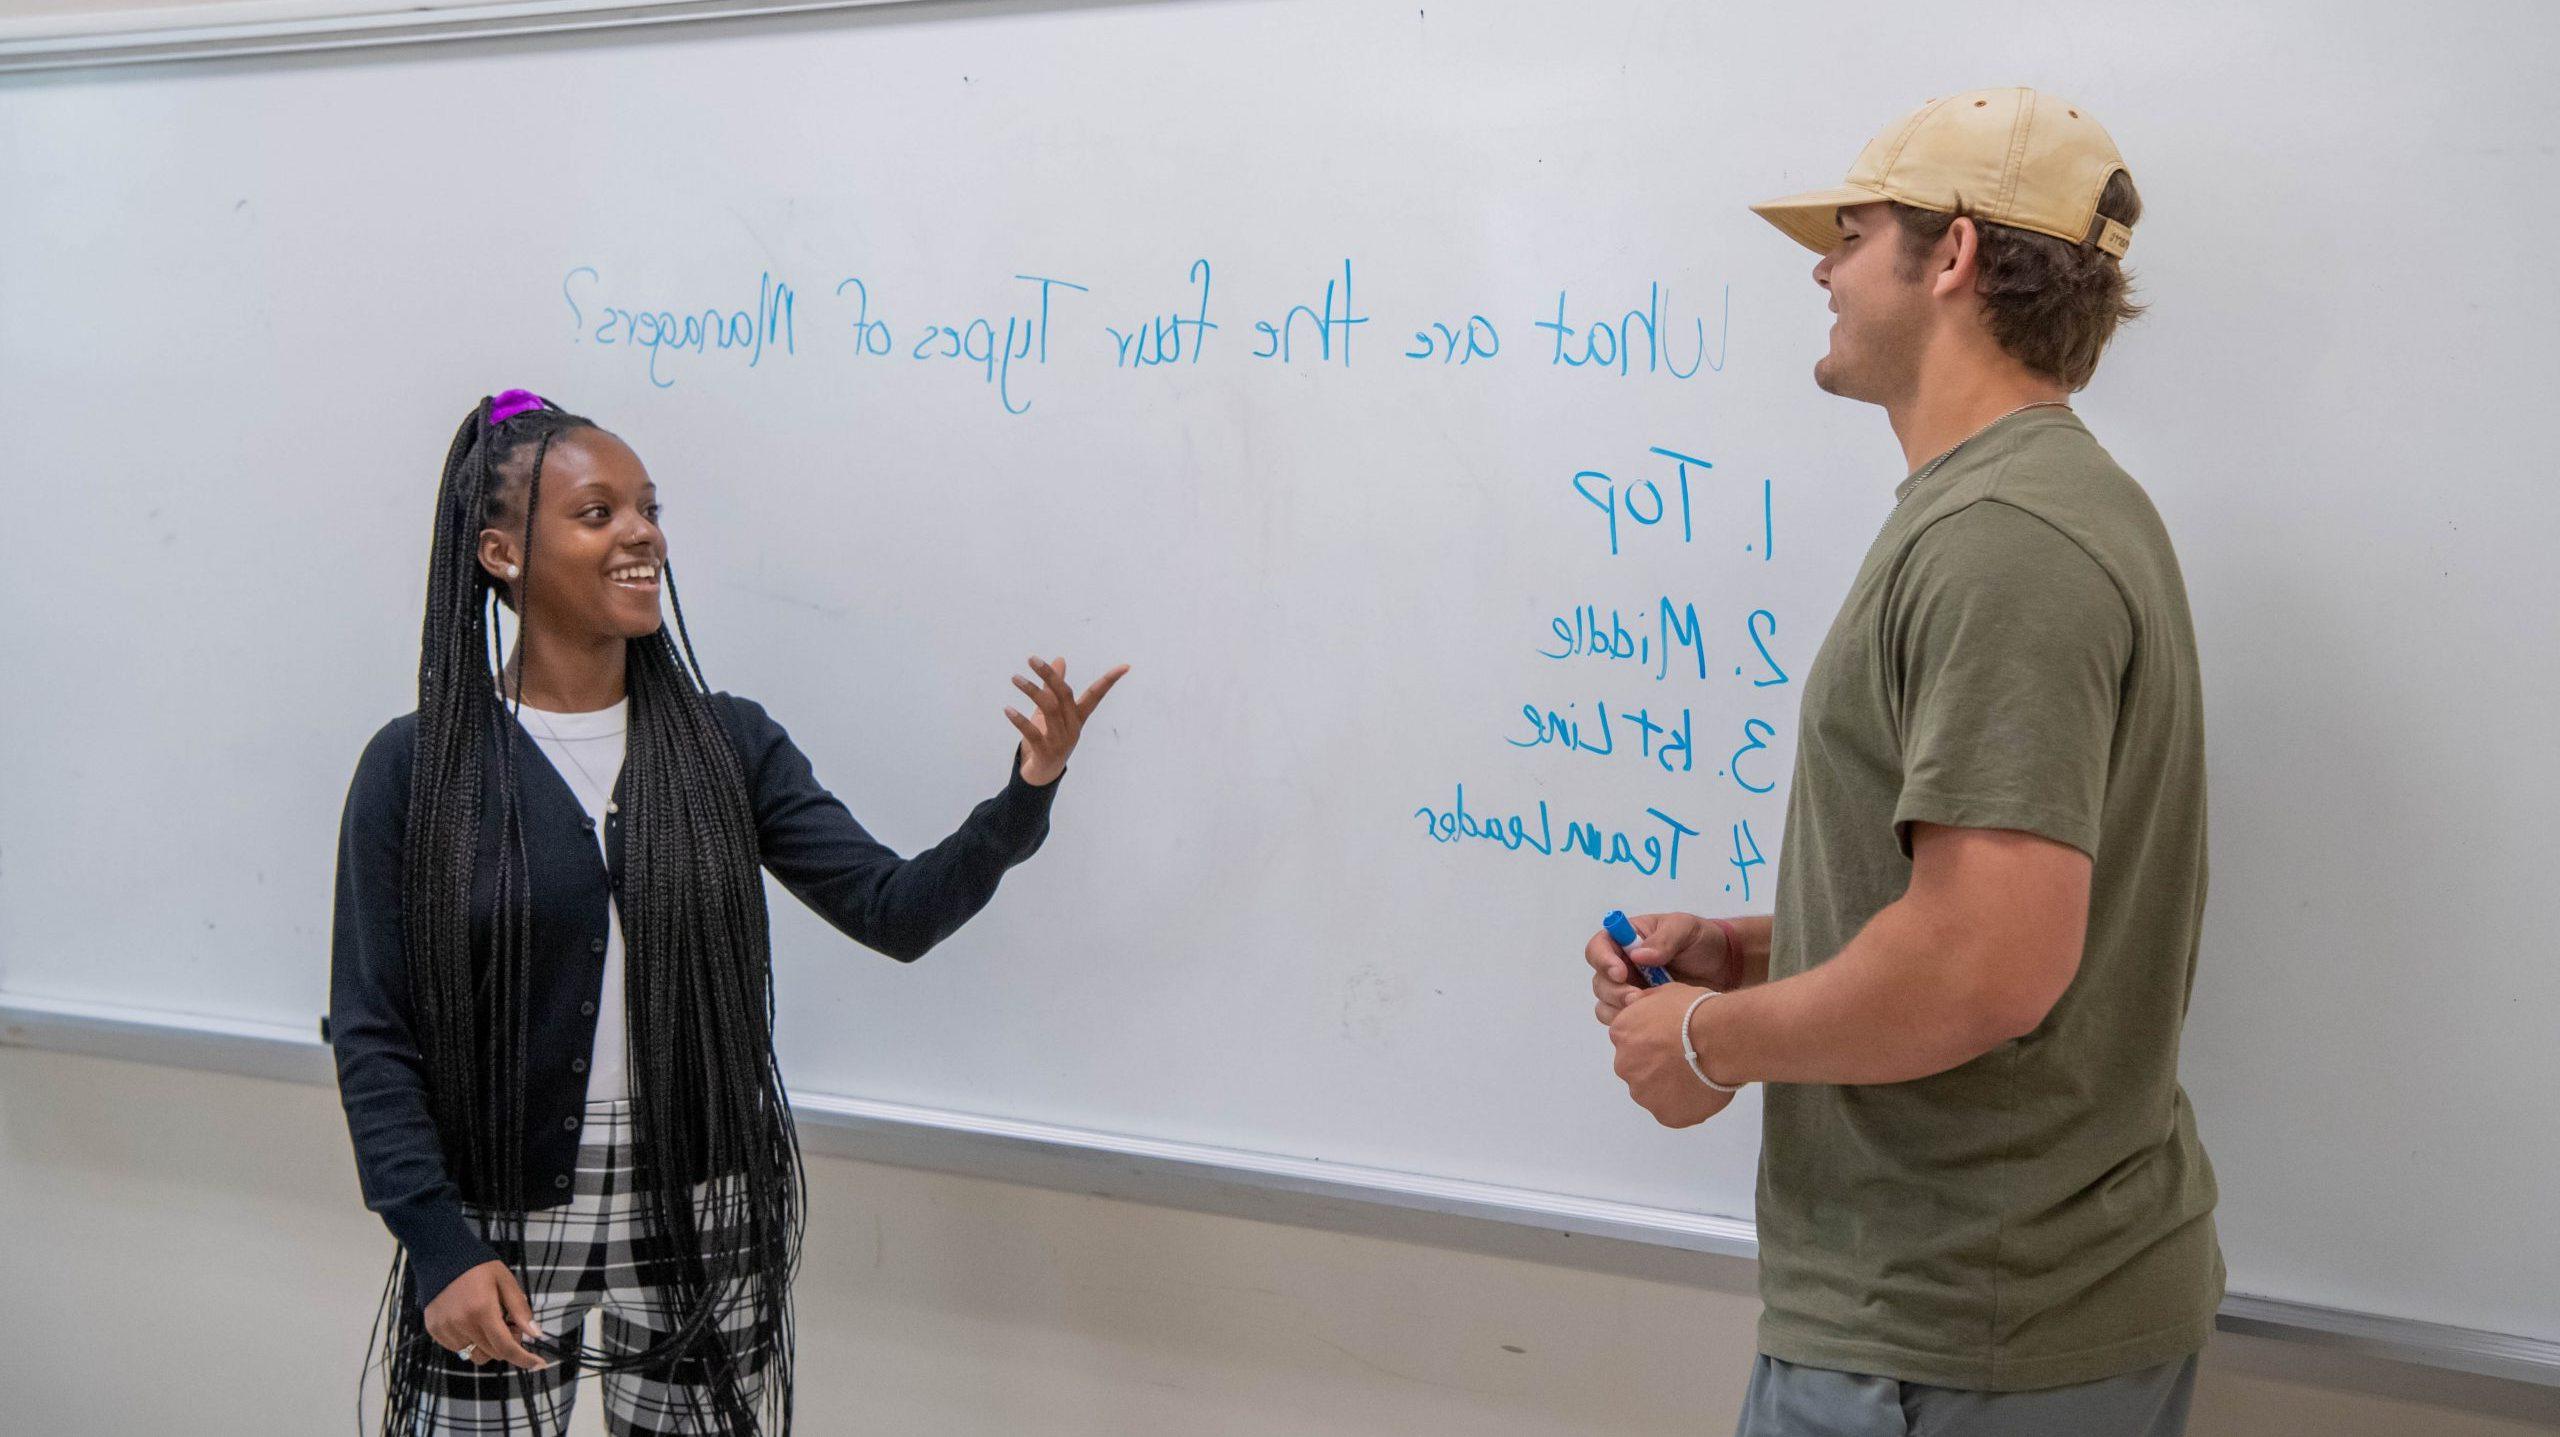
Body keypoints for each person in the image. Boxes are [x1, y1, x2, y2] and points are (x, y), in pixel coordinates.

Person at [1585, 90, 2220, 1435]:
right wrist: (1759, 951)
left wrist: (1705, 1040)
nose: (1820, 267)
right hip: (1973, 1326)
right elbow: (1997, 917)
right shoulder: (2024, 510)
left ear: (1954, 259)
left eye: (1852, 231)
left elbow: (1984, 964)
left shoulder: (2006, 539)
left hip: (1959, 1344)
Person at [329, 390, 1127, 1434]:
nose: (642, 535)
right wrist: (436, 1237)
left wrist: (1026, 791)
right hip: (493, 1218)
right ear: (499, 553)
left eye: (648, 509)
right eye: (598, 513)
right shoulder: (417, 768)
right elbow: (372, 1029)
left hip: (703, 1205)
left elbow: (896, 911)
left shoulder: (726, 746)